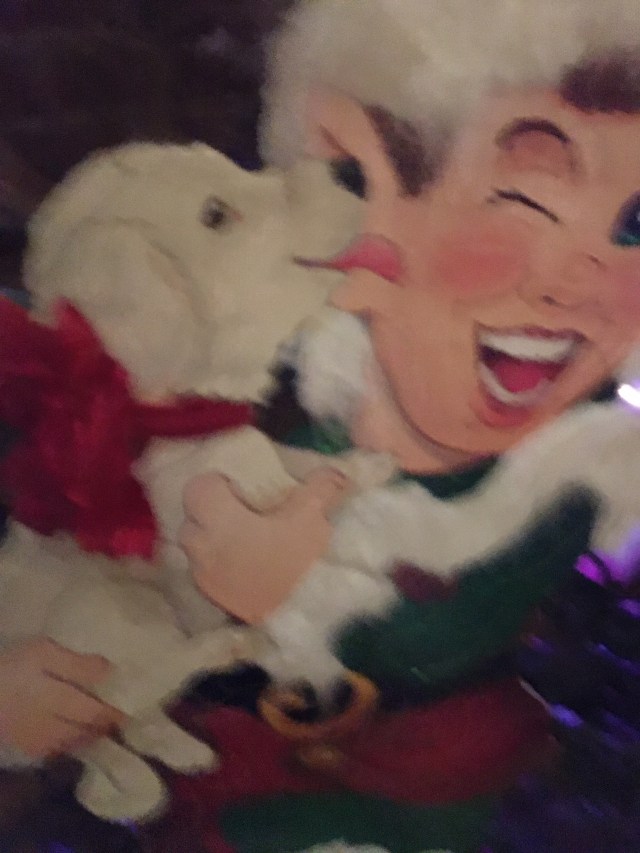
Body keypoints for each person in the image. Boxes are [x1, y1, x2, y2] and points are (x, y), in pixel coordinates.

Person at [170, 2, 640, 852]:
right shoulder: (231, 428)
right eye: (524, 201)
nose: (582, 281)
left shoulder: (589, 473)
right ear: (353, 180)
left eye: (634, 226)